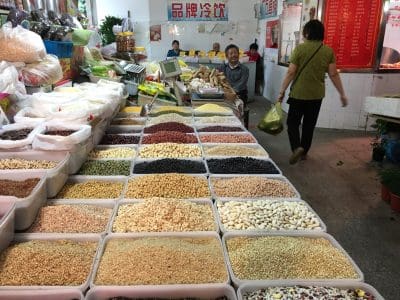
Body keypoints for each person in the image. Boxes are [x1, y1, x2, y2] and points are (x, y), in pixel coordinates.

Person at [277, 19, 348, 165]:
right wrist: (342, 93)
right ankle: (304, 153)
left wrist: (282, 91)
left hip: (298, 94)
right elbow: (334, 74)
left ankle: (296, 147)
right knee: (309, 124)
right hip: (316, 95)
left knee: (292, 123)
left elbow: (291, 72)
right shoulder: (328, 51)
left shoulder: (300, 49)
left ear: (307, 33)